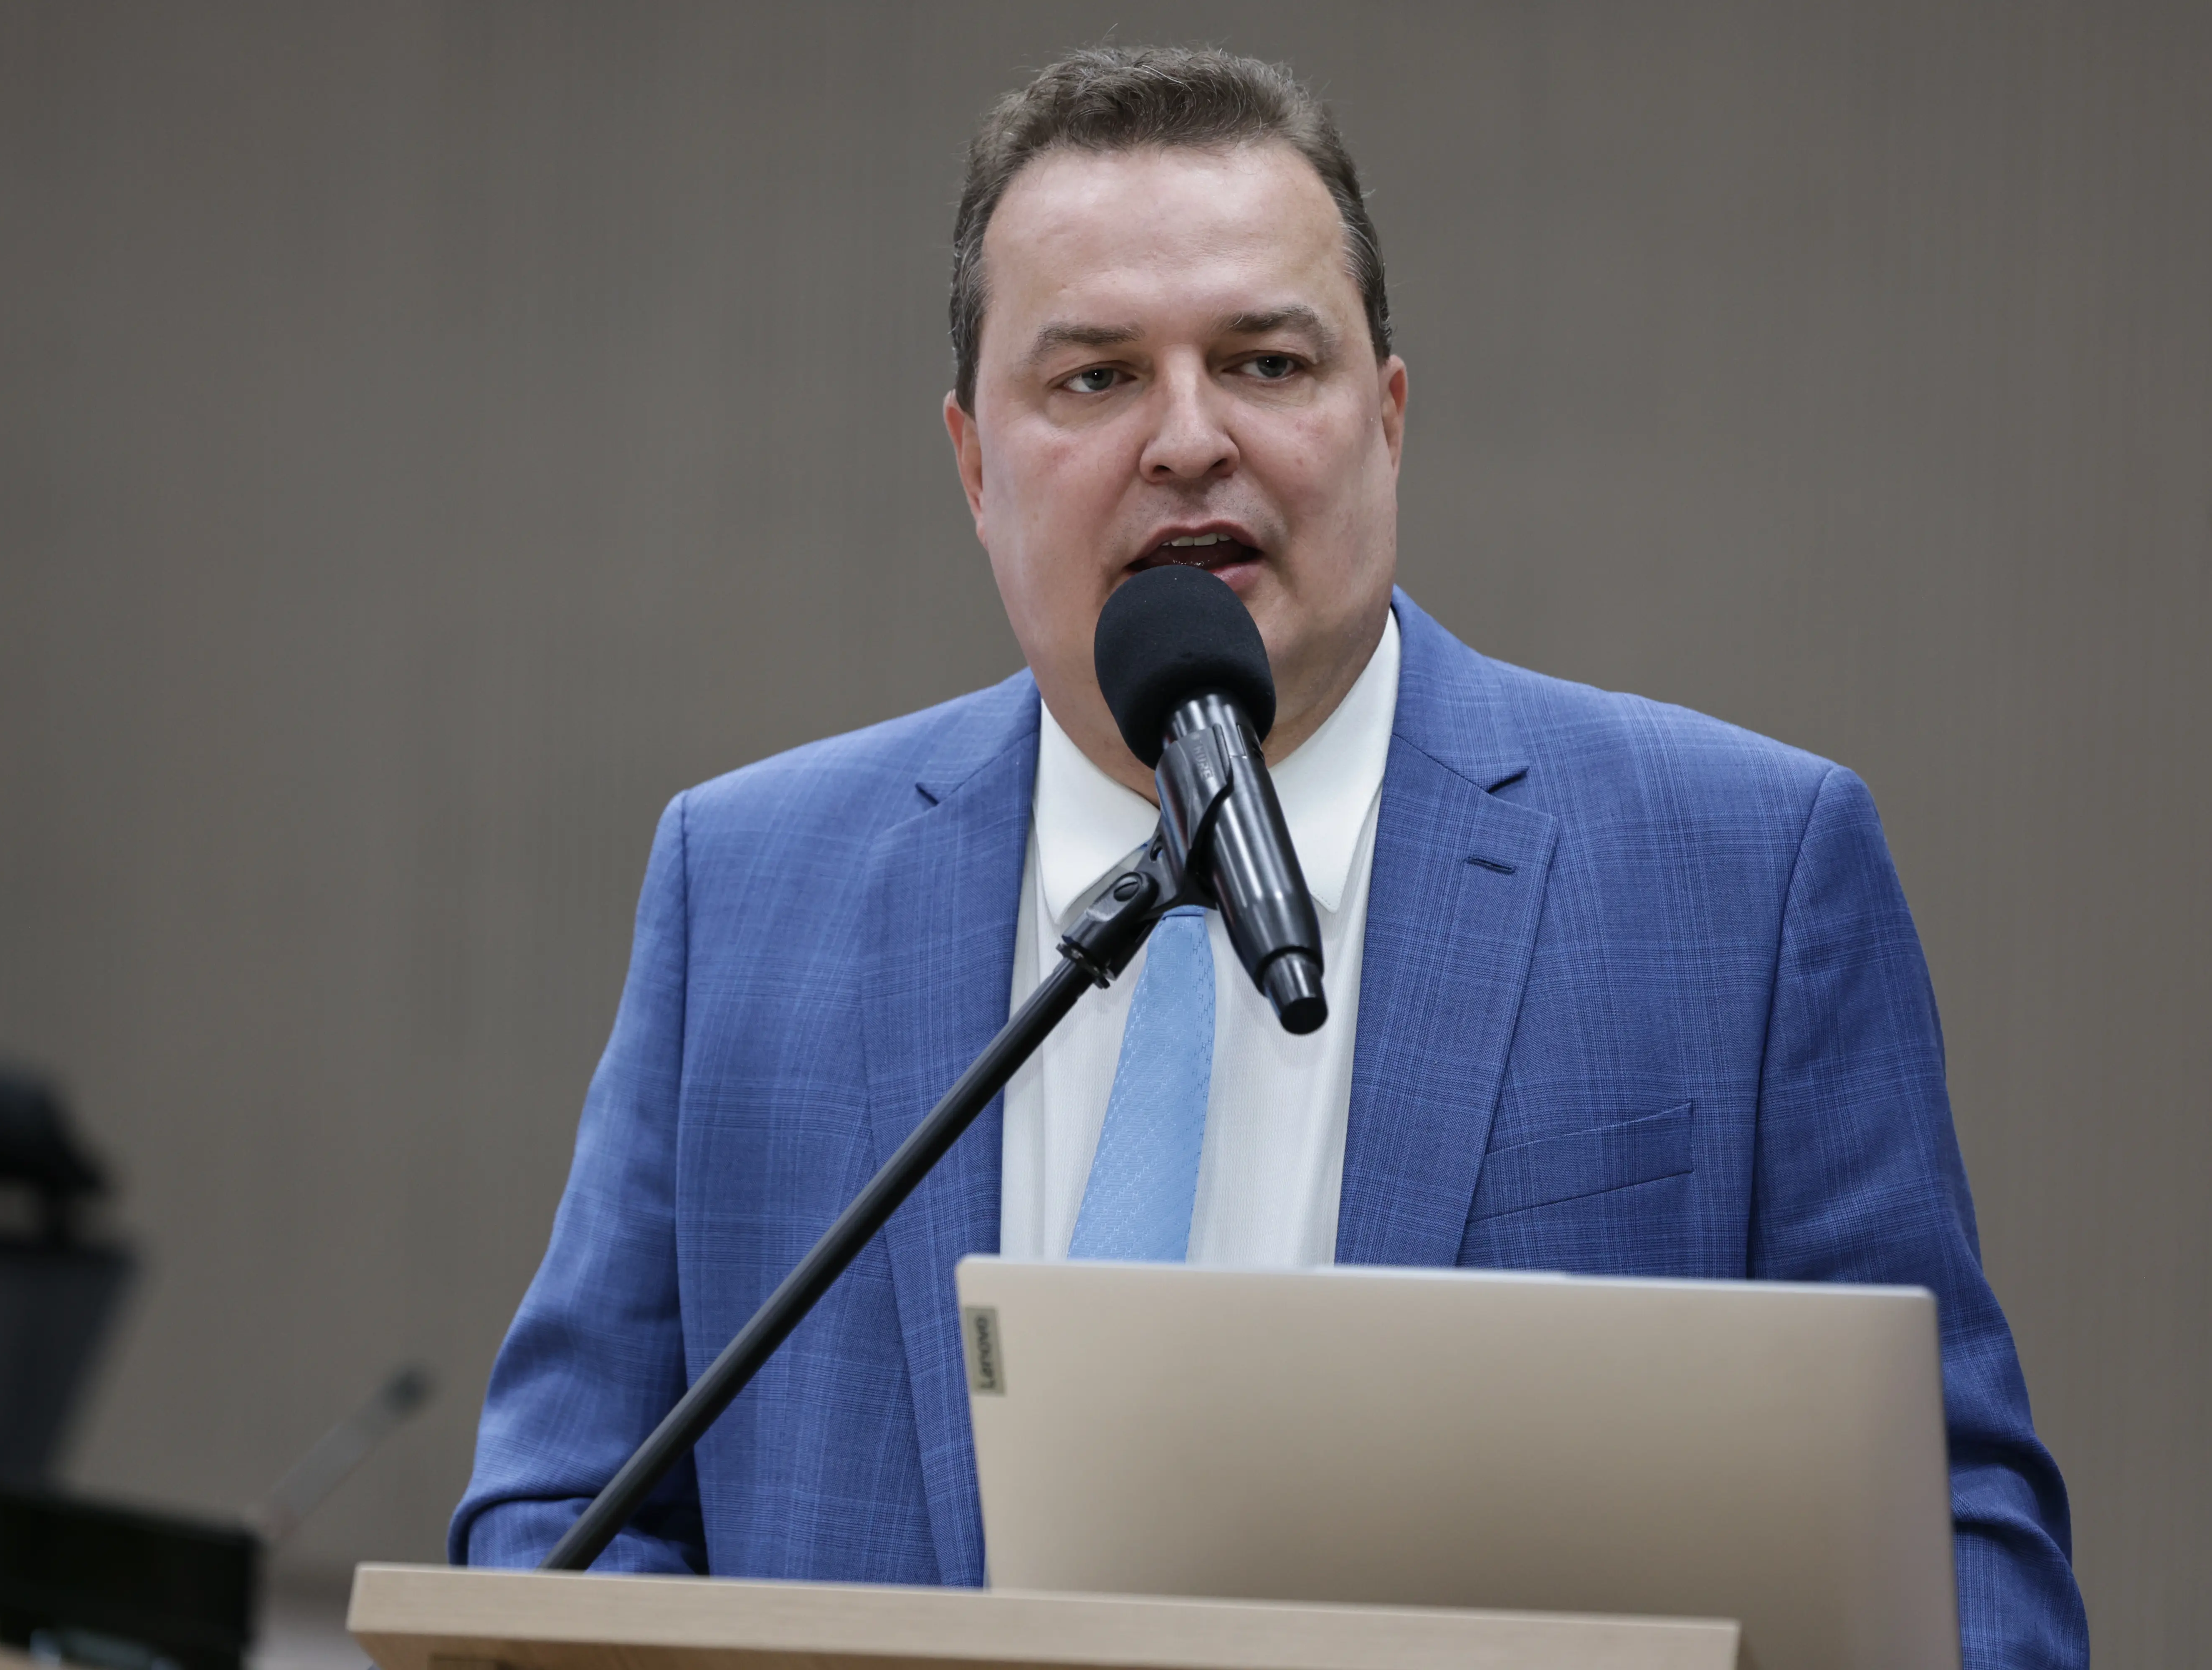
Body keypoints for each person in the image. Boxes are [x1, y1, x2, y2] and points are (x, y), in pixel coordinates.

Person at [452, 45, 2086, 1667]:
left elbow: (1962, 1554)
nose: (1186, 439)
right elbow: (564, 1522)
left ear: (1386, 416)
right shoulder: (743, 888)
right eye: (1094, 377)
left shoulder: (1743, 875)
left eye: (1265, 363)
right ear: (971, 462)